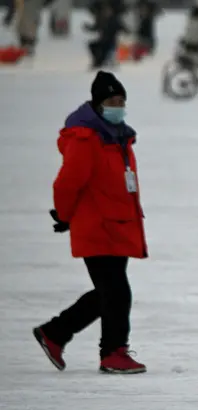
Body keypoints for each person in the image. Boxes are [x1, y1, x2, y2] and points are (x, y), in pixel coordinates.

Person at [34, 71, 147, 374]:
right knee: (116, 293)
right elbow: (67, 183)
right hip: (97, 225)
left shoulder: (118, 135)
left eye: (121, 100)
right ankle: (112, 352)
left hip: (117, 224)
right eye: (112, 100)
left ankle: (55, 333)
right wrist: (65, 215)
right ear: (98, 104)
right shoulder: (86, 138)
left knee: (107, 292)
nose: (118, 105)